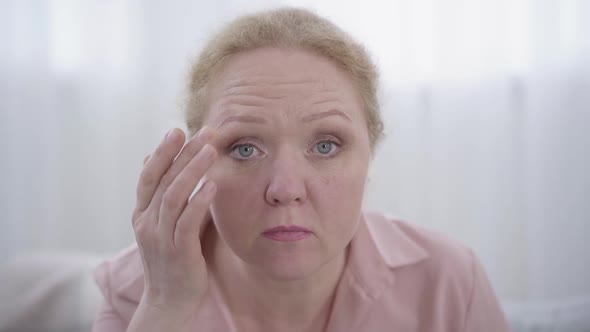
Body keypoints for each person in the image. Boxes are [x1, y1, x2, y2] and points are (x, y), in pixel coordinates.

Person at [92, 7, 510, 332]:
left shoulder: (448, 282)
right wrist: (166, 307)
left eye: (326, 145)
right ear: (195, 165)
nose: (285, 189)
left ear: (371, 153)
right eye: (244, 148)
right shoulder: (136, 292)